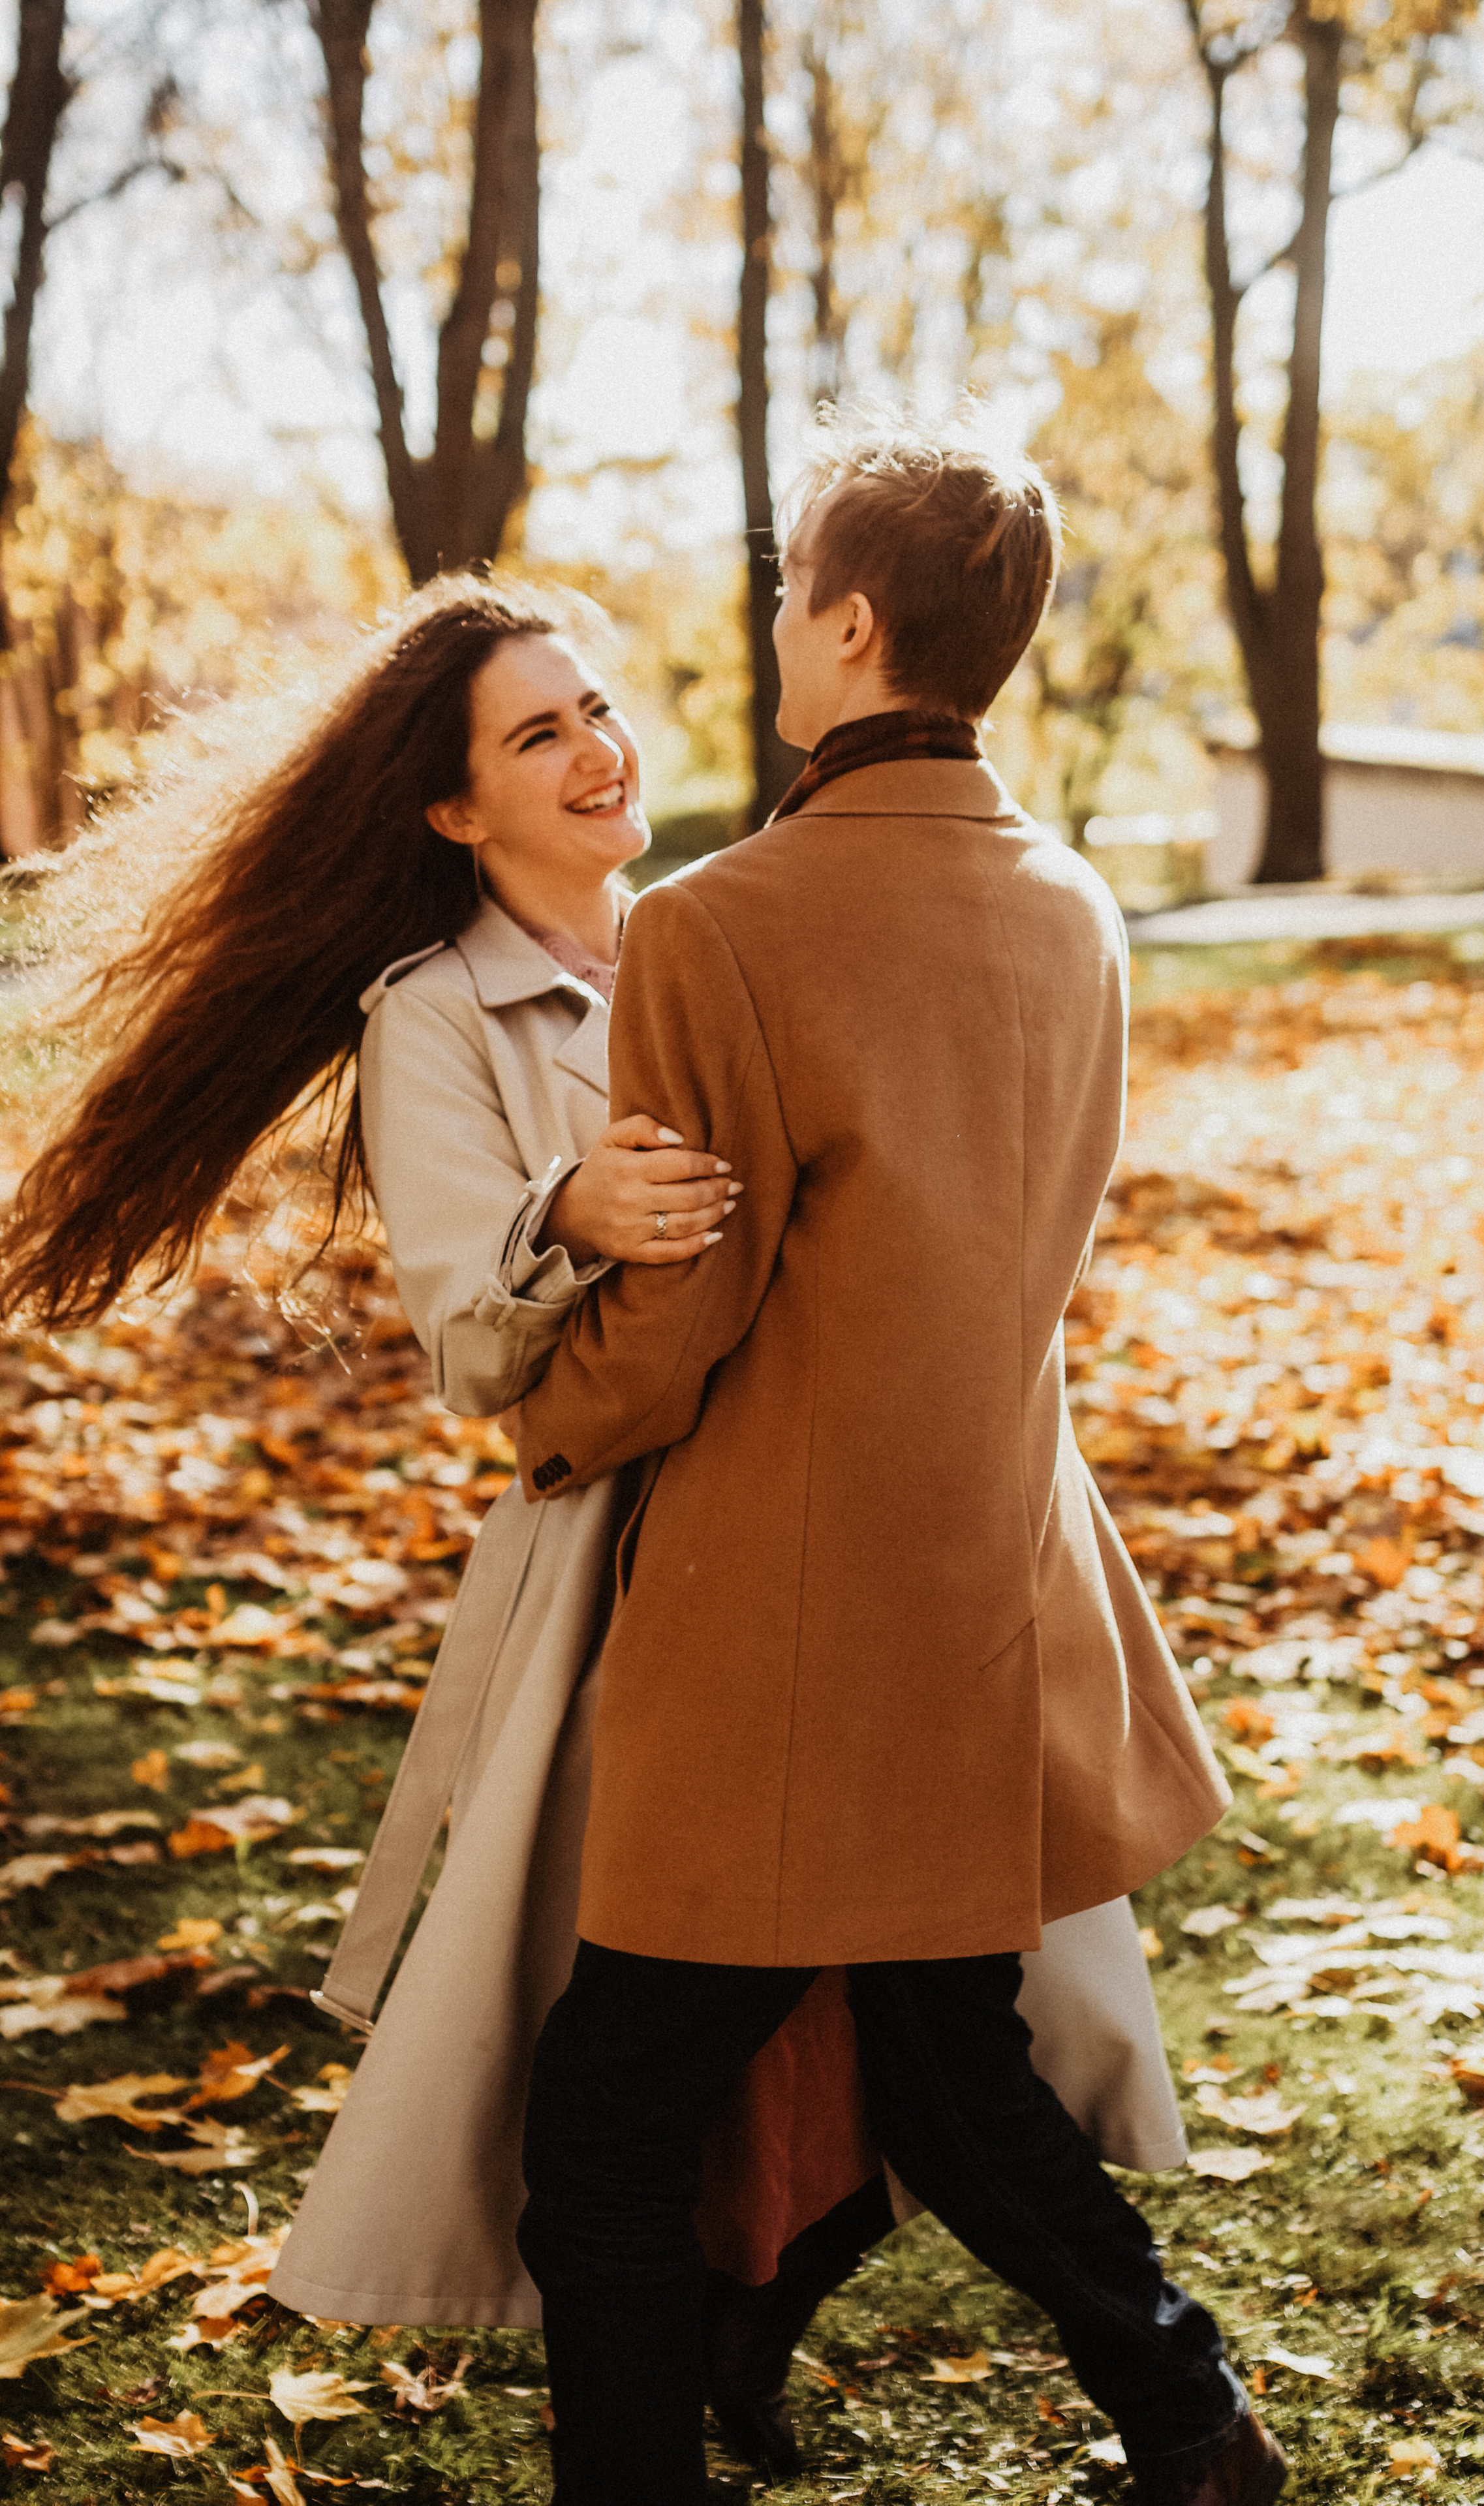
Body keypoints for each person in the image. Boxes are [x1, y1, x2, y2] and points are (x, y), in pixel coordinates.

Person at [0, 568, 1197, 2474]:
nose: (598, 749)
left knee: (863, 2052)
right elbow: (475, 1344)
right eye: (536, 732)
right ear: (454, 810)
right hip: (641, 1579)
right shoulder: (436, 1020)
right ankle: (1097, 2389)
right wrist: (570, 1216)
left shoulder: (738, 927)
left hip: (857, 1549)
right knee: (796, 2044)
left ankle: (824, 2349)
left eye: (602, 707)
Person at [511, 413, 1284, 2506]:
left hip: (778, 1627)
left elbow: (676, 1311)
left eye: (786, 588)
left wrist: (542, 1412)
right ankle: (1196, 2424)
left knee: (601, 2126)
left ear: (851, 625)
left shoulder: (716, 927)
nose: (773, 619)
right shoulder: (1078, 911)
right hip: (983, 1592)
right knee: (949, 2068)